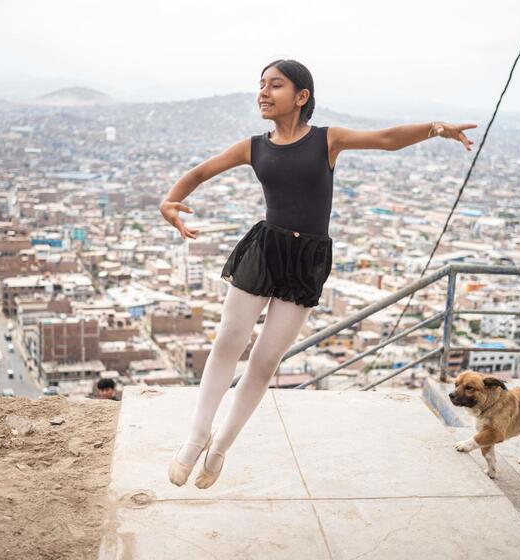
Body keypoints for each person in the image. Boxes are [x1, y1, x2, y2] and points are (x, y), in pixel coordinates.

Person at [160, 59, 475, 489]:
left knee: (265, 361)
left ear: (302, 96)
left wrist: (436, 127)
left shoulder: (328, 140)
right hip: (266, 249)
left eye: (276, 85)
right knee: (228, 342)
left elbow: (385, 139)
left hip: (307, 258)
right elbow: (201, 172)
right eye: (261, 85)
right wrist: (171, 202)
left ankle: (220, 448)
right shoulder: (254, 146)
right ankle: (196, 438)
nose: (264, 93)